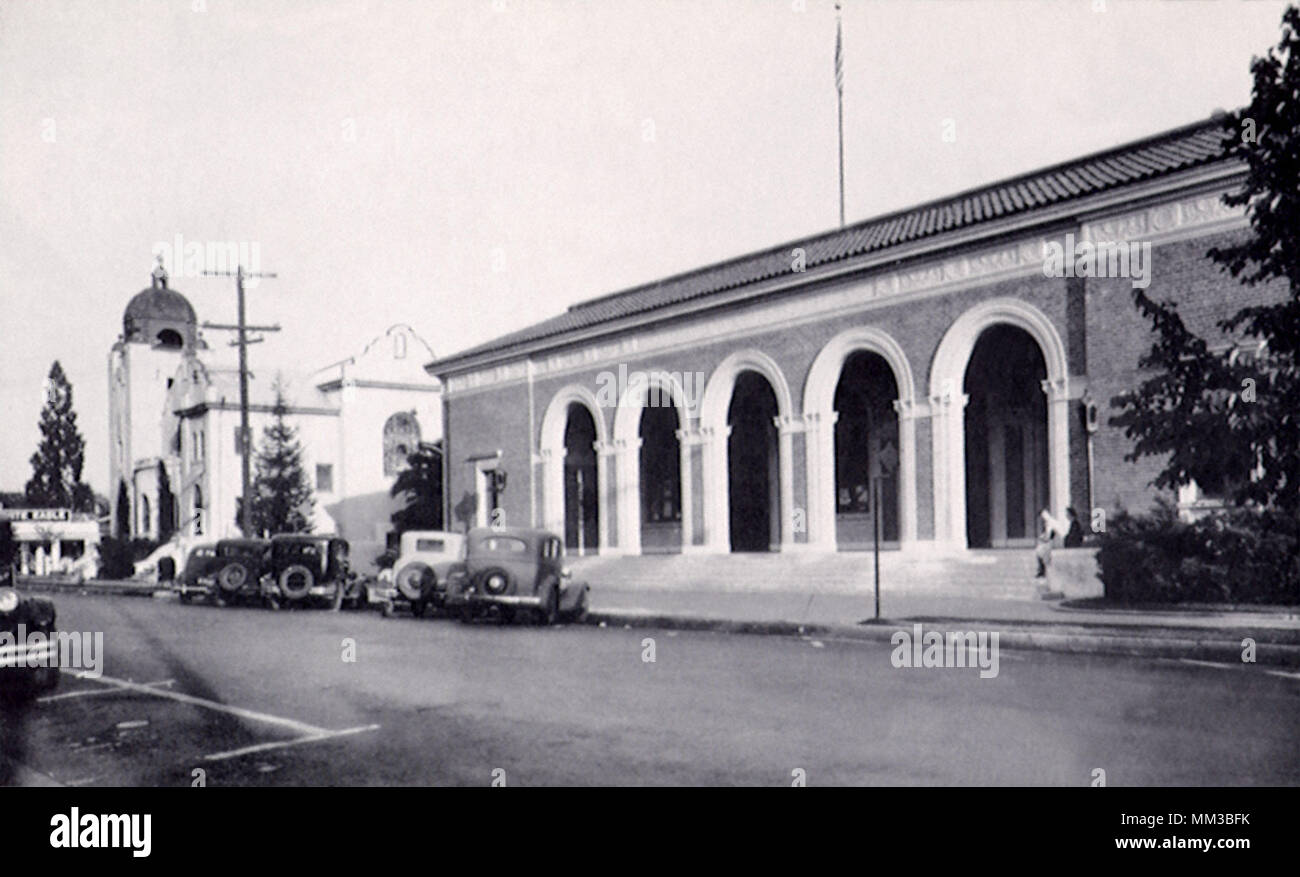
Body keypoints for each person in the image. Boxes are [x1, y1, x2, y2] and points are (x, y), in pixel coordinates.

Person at [1034, 508, 1057, 578]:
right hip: (1047, 543)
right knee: (1038, 552)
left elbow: (1049, 535)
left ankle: (1042, 570)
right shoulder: (1047, 523)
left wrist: (1043, 538)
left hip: (1049, 543)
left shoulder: (1050, 523)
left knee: (1040, 551)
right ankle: (1041, 569)